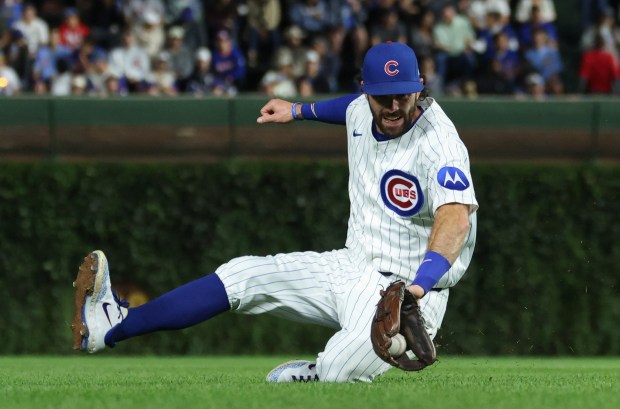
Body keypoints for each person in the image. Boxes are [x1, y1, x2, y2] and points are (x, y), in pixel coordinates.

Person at [71, 41, 478, 383]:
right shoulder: (361, 108)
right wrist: (297, 110)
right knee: (241, 275)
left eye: (402, 95)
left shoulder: (439, 144)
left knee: (339, 371)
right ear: (365, 90)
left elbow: (455, 219)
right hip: (351, 265)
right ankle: (113, 325)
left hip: (412, 291)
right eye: (381, 95)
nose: (392, 105)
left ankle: (317, 372)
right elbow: (347, 110)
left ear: (420, 88)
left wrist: (419, 287)